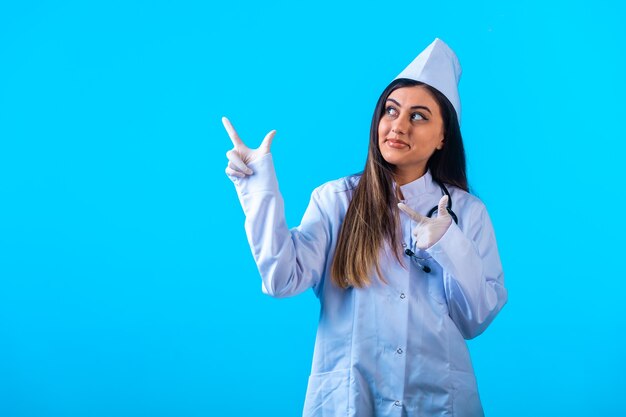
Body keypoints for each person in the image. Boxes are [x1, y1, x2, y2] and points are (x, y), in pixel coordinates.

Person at [223, 38, 507, 417]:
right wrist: (259, 191)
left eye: (419, 116)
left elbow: (476, 320)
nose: (398, 126)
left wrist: (449, 243)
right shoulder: (335, 200)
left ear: (443, 138)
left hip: (439, 403)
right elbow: (281, 279)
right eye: (391, 111)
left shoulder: (467, 213)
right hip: (349, 401)